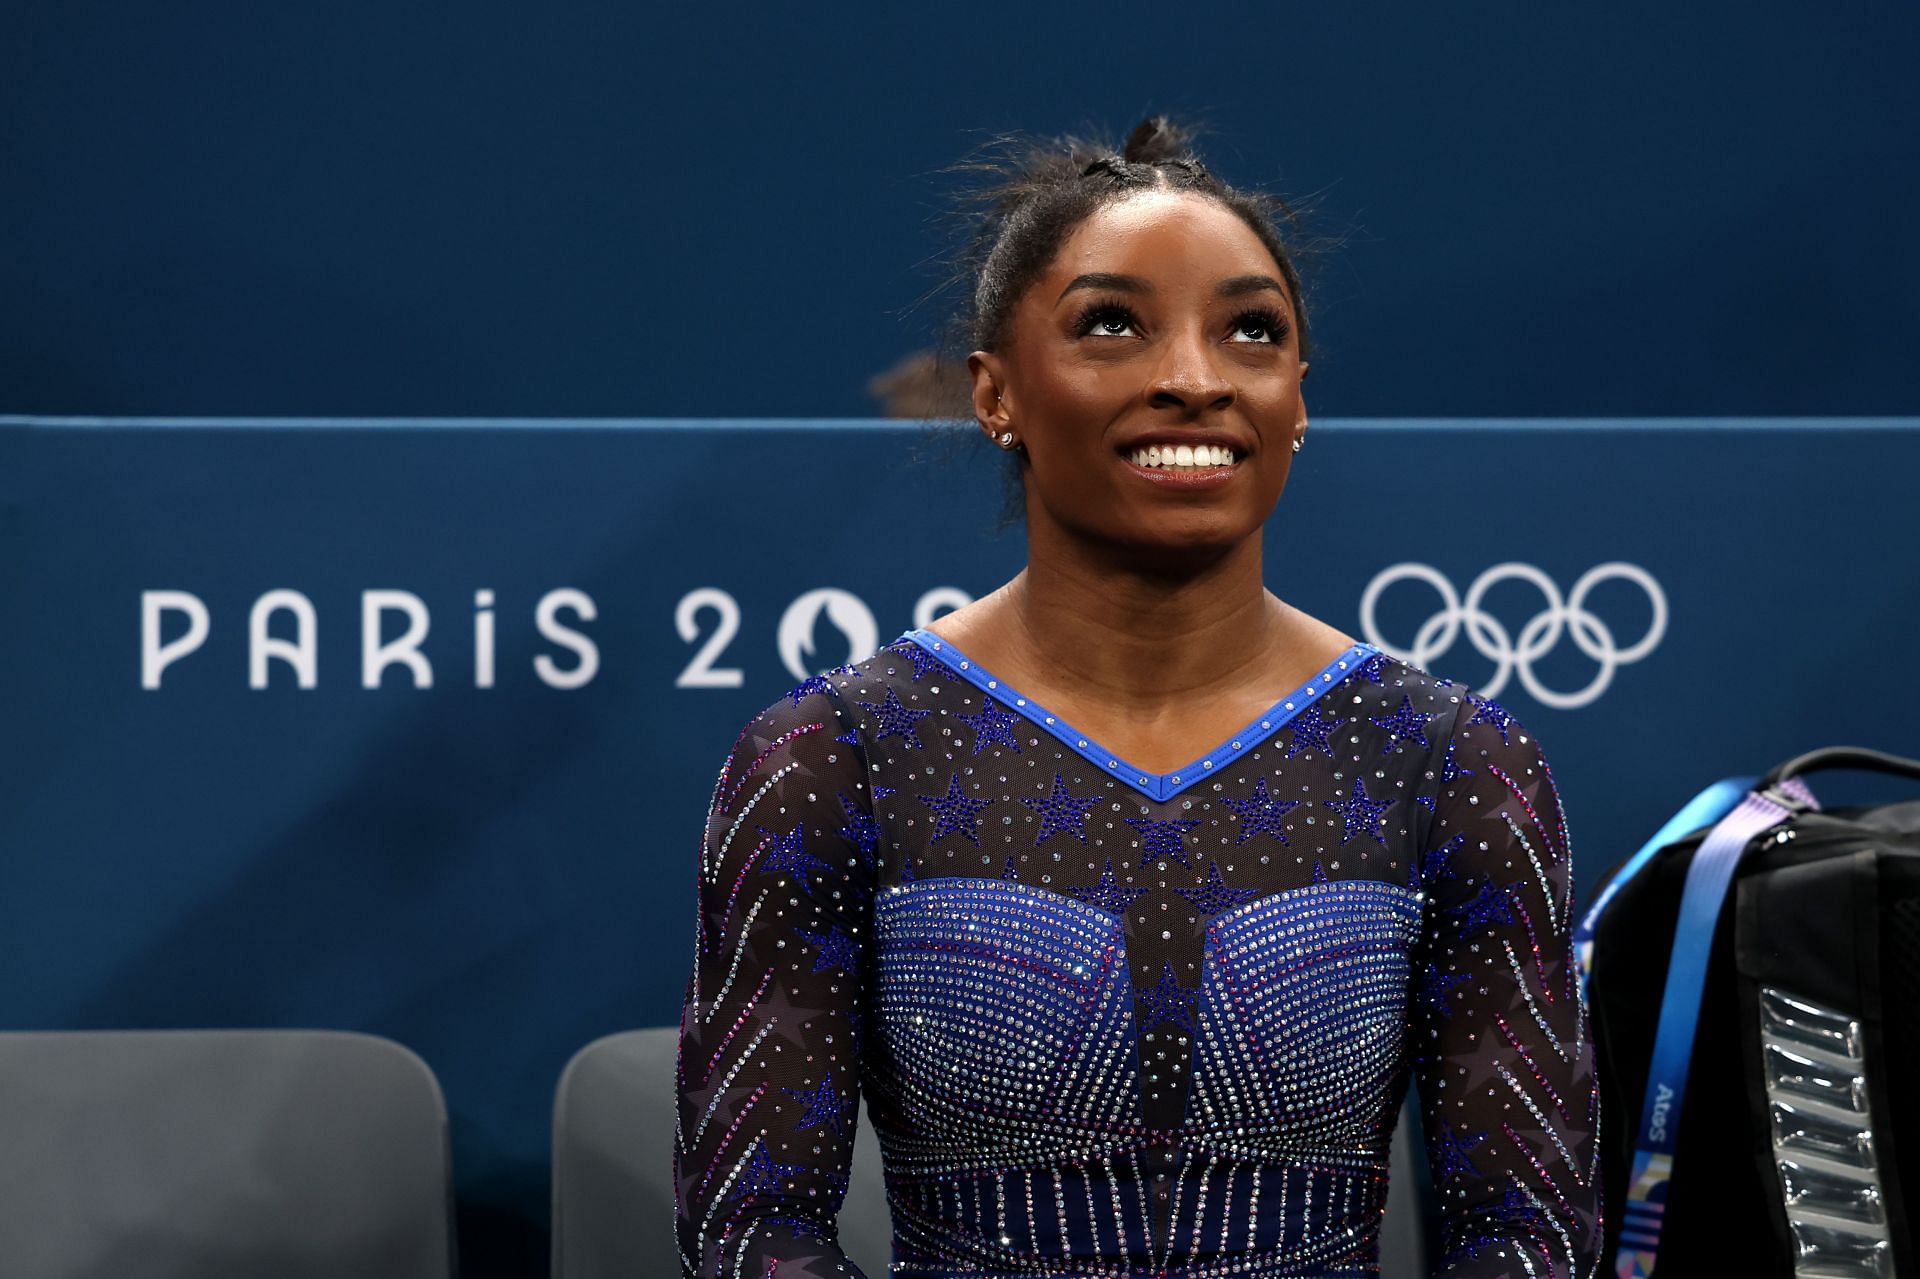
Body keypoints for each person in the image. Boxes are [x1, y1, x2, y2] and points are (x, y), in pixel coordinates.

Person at [674, 117, 1603, 1278]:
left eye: (1251, 332)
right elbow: (753, 1231)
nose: (1194, 379)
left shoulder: (1451, 761)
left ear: (1298, 399)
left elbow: (1530, 1239)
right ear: (994, 391)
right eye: (1112, 325)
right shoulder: (832, 754)